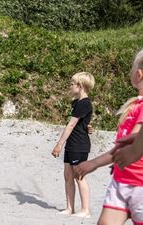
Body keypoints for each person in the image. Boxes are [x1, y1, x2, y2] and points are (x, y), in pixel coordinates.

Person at [74, 49, 143, 225]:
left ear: (138, 74)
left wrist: (93, 163)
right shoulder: (135, 105)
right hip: (121, 182)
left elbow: (135, 142)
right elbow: (125, 146)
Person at [51, 72, 95, 218]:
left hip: (79, 145)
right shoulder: (76, 103)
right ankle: (70, 208)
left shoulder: (84, 103)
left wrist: (59, 144)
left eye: (72, 83)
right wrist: (88, 127)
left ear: (80, 85)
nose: (70, 86)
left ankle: (85, 210)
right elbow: (84, 124)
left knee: (79, 176)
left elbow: (71, 125)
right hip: (72, 144)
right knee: (68, 176)